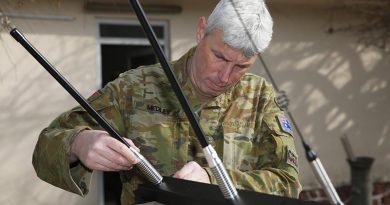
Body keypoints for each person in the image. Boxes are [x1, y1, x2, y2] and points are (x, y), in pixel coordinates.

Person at [32, 0, 302, 204]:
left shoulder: (260, 97)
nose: (225, 76)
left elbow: (288, 184)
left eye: (242, 66)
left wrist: (214, 180)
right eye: (219, 57)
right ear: (200, 32)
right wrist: (79, 144)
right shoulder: (136, 87)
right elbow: (47, 143)